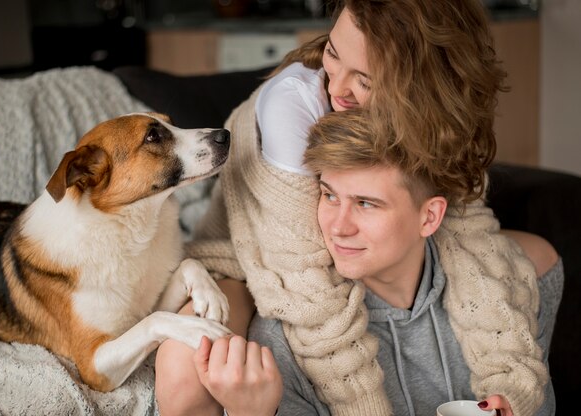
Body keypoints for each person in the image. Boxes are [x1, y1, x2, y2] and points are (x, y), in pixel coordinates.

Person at [155, 0, 559, 414]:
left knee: (532, 258)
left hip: (345, 245)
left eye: (364, 79)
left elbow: (464, 214)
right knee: (185, 367)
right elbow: (302, 275)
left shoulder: (439, 112)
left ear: (421, 86)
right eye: (333, 53)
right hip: (253, 252)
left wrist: (512, 384)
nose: (336, 89)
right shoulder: (291, 106)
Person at [192, 109, 561, 416]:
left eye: (366, 203)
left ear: (429, 217)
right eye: (330, 196)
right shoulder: (284, 342)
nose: (337, 227)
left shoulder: (503, 291)